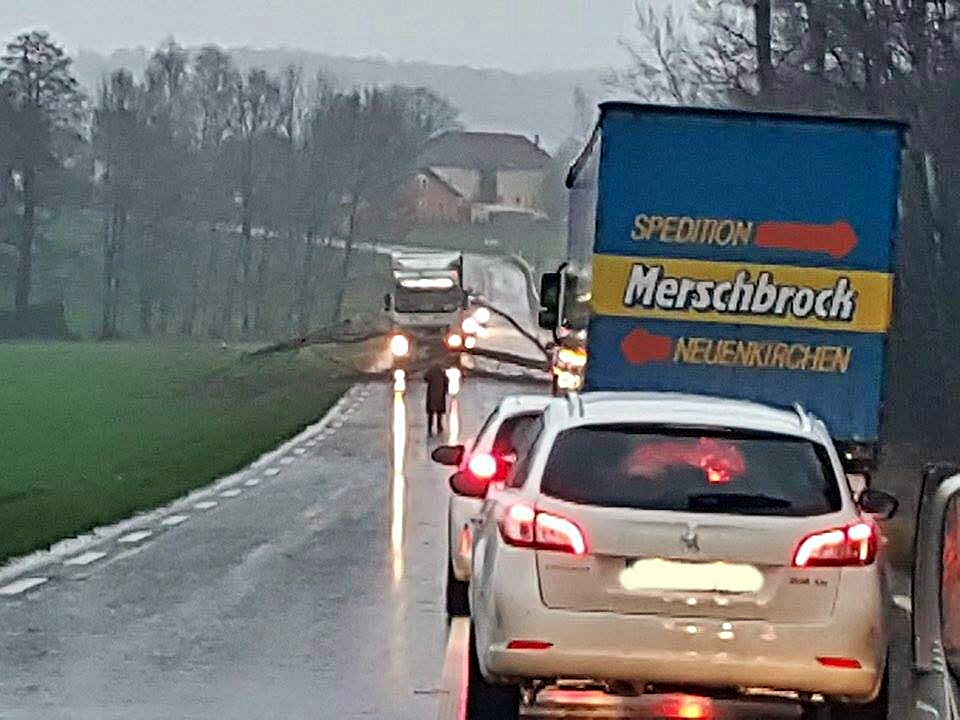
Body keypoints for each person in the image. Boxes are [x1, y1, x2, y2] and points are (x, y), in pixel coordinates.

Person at [424, 363, 449, 437]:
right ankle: (439, 426)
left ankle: (429, 428)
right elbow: (446, 382)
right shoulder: (442, 372)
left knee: (431, 413)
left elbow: (425, 378)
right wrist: (446, 390)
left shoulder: (430, 372)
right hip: (440, 394)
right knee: (439, 412)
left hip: (431, 394)